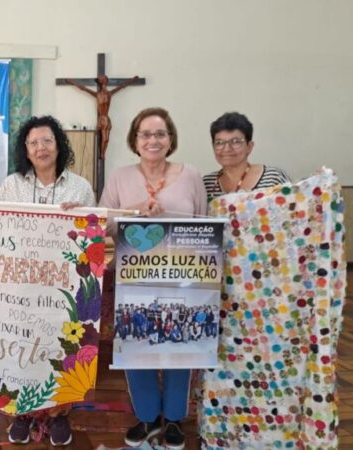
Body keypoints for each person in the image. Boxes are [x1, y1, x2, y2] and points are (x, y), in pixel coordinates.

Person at [99, 107, 207, 449]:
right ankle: (147, 416)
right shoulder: (119, 176)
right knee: (137, 348)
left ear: (171, 139)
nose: (153, 140)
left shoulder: (192, 176)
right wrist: (134, 212)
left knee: (180, 348)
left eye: (160, 133)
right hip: (134, 281)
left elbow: (204, 224)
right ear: (134, 140)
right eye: (145, 134)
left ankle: (174, 418)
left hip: (183, 279)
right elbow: (104, 224)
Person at [0, 115, 96, 446]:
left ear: (59, 145)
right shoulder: (11, 185)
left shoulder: (80, 186)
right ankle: (23, 412)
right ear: (26, 149)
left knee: (61, 348)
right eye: (34, 142)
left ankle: (58, 415)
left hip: (64, 288)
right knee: (22, 346)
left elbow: (92, 234)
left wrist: (82, 215)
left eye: (47, 141)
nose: (41, 147)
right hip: (20, 287)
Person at [202, 112, 290, 201]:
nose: (227, 149)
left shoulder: (273, 177)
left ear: (249, 146)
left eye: (235, 141)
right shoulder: (206, 184)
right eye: (219, 143)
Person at [64, 75, 141, 160]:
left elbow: (122, 86)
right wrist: (72, 82)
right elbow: (83, 88)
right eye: (102, 79)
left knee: (105, 140)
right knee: (92, 139)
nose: (104, 80)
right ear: (100, 82)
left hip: (106, 119)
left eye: (104, 78)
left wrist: (132, 80)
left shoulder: (109, 94)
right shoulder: (97, 94)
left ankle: (102, 153)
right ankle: (91, 156)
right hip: (100, 119)